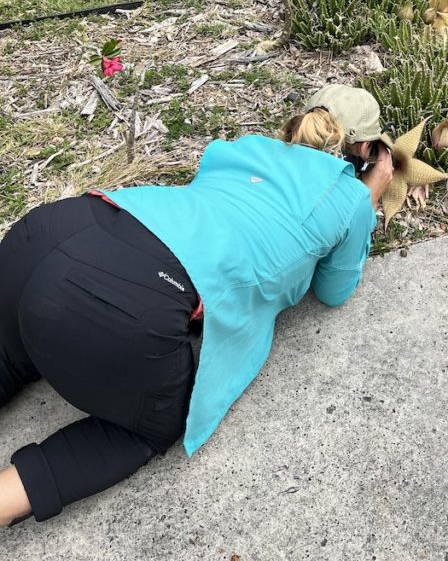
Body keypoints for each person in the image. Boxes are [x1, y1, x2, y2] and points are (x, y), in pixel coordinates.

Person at [0, 86, 393, 526]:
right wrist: (370, 195)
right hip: (123, 298)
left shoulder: (240, 149)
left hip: (56, 227)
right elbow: (334, 290)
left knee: (8, 355)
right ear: (366, 150)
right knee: (153, 424)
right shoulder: (349, 198)